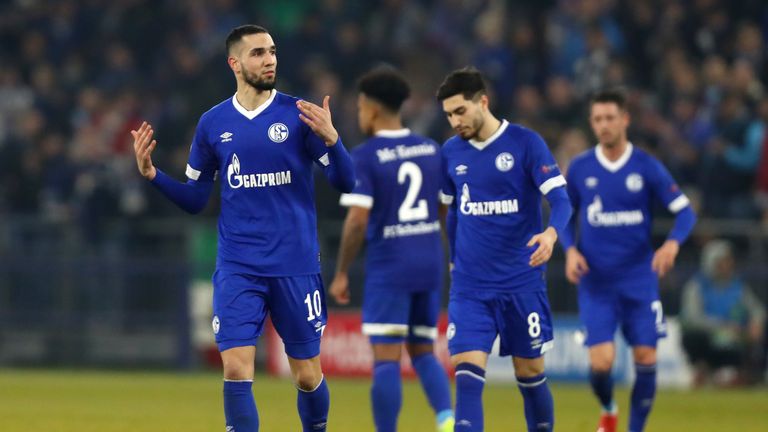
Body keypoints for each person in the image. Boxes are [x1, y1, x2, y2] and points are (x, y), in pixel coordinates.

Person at [130, 24, 355, 432]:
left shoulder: (300, 114)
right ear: (235, 63)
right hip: (238, 267)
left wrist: (334, 140)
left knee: (306, 374)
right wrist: (153, 176)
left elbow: (346, 182)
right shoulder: (212, 123)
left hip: (294, 264)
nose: (269, 59)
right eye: (258, 53)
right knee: (236, 369)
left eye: (272, 51)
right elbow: (197, 199)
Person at [437, 67, 572, 432]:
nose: (454, 122)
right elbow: (451, 214)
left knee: (529, 374)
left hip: (520, 282)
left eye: (460, 111)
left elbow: (561, 200)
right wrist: (453, 261)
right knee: (466, 376)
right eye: (448, 115)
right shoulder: (451, 153)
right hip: (470, 287)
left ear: (483, 101)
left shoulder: (526, 143)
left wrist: (550, 235)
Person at [560, 89, 697, 432]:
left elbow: (685, 213)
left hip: (639, 279)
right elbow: (563, 213)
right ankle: (608, 409)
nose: (604, 125)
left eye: (610, 118)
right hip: (596, 282)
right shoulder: (580, 168)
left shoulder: (647, 167)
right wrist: (570, 249)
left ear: (625, 120)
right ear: (592, 123)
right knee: (601, 364)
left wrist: (672, 245)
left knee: (646, 357)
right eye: (597, 119)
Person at [328, 67, 455, 432]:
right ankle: (447, 422)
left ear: (370, 108)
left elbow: (356, 221)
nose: (358, 113)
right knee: (422, 350)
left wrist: (340, 272)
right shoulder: (431, 149)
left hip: (391, 265)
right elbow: (444, 208)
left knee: (386, 358)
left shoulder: (366, 155)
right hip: (429, 261)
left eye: (359, 107)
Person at [681, 239, 766, 386]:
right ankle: (703, 370)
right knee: (692, 336)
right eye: (723, 261)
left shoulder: (737, 286)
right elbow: (693, 318)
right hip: (708, 336)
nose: (728, 265)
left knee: (758, 336)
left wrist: (756, 322)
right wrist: (723, 327)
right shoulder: (696, 286)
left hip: (736, 336)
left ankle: (748, 375)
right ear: (711, 262)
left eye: (729, 260)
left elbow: (758, 309)